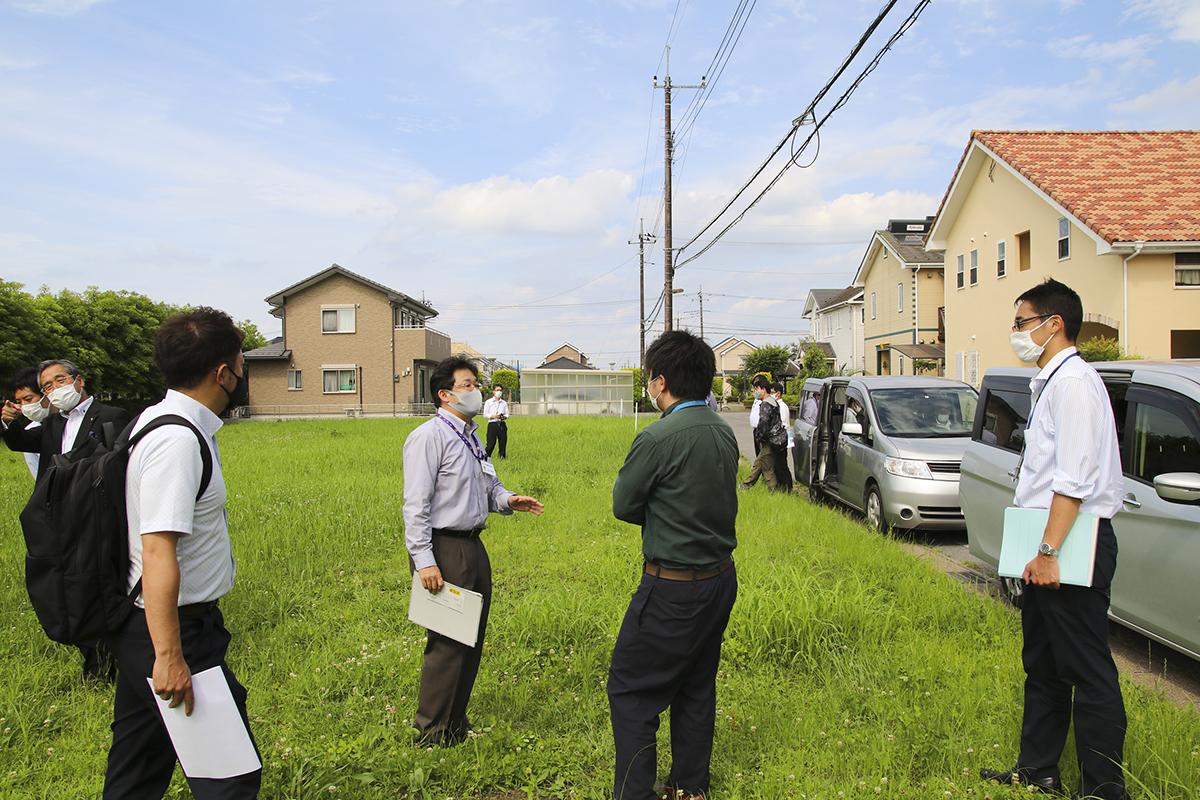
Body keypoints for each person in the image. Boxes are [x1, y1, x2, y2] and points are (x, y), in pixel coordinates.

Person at [103, 307, 262, 799]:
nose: (243, 376)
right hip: (175, 629)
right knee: (231, 776)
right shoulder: (176, 440)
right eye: (241, 365)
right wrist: (170, 655)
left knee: (139, 765)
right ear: (223, 372)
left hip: (147, 627)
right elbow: (157, 550)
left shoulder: (157, 420)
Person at [980, 279, 1126, 800]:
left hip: (1069, 544)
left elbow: (1075, 478)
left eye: (1021, 323)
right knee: (1042, 663)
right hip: (1045, 539)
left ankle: (1104, 789)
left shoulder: (1076, 384)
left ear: (1053, 323)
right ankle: (1038, 768)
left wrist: (1047, 552)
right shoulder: (1050, 382)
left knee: (1087, 670)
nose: (1016, 333)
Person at [609, 330, 739, 800]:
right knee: (696, 684)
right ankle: (690, 787)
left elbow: (624, 504)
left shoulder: (658, 437)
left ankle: (635, 793)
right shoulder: (723, 431)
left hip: (673, 588)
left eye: (649, 378)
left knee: (630, 689)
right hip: (720, 578)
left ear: (660, 382)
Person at [403, 356, 544, 746]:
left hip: (473, 546)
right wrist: (424, 561)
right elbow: (415, 506)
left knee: (472, 638)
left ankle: (455, 724)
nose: (475, 391)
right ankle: (431, 732)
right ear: (445, 394)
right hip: (444, 547)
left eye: (474, 384)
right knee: (448, 643)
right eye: (467, 385)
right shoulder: (429, 437)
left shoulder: (471, 435)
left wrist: (508, 499)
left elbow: (488, 486)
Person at [2, 358, 132, 682]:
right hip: (58, 517)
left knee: (99, 582)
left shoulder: (112, 416)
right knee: (68, 586)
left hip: (97, 515)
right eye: (47, 386)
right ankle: (93, 656)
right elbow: (20, 443)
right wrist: (10, 422)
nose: (54, 389)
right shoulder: (50, 424)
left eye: (59, 381)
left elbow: (124, 464)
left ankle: (113, 656)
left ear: (78, 380)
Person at [2, 367, 52, 479]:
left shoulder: (73, 419)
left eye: (28, 399)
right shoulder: (31, 431)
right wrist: (8, 420)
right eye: (19, 402)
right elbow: (39, 476)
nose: (24, 406)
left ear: (46, 393)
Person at [740, 378, 781, 491]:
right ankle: (745, 486)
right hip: (774, 439)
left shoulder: (766, 404)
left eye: (757, 389)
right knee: (758, 464)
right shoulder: (773, 402)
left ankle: (773, 491)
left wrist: (761, 439)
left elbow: (764, 423)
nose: (756, 391)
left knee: (767, 468)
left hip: (767, 440)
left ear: (763, 389)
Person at [482, 382, 509, 459]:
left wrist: (503, 417)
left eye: (500, 390)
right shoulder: (489, 402)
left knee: (503, 443)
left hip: (502, 424)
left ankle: (502, 458)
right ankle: (486, 457)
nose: (499, 392)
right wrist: (494, 416)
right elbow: (485, 414)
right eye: (497, 390)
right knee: (490, 444)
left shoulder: (504, 403)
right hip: (492, 424)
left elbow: (507, 414)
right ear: (493, 391)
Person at [747, 375, 766, 456]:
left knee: (762, 455)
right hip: (756, 430)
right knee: (758, 454)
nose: (756, 391)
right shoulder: (757, 398)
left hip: (761, 430)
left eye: (757, 388)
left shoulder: (765, 400)